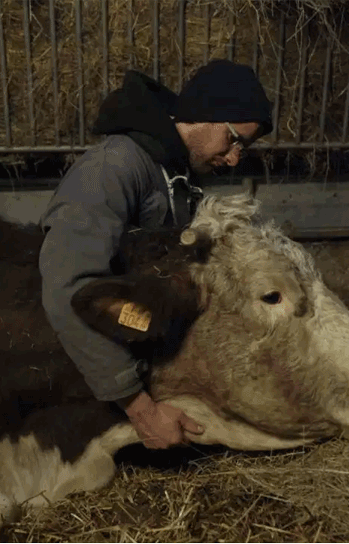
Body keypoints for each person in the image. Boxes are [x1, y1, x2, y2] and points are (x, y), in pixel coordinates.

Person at [38, 59, 273, 449]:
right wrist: (142, 410)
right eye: (234, 139)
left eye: (242, 147)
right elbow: (68, 288)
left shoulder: (176, 171)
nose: (234, 158)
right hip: (79, 364)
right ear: (206, 113)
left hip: (135, 341)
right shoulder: (114, 167)